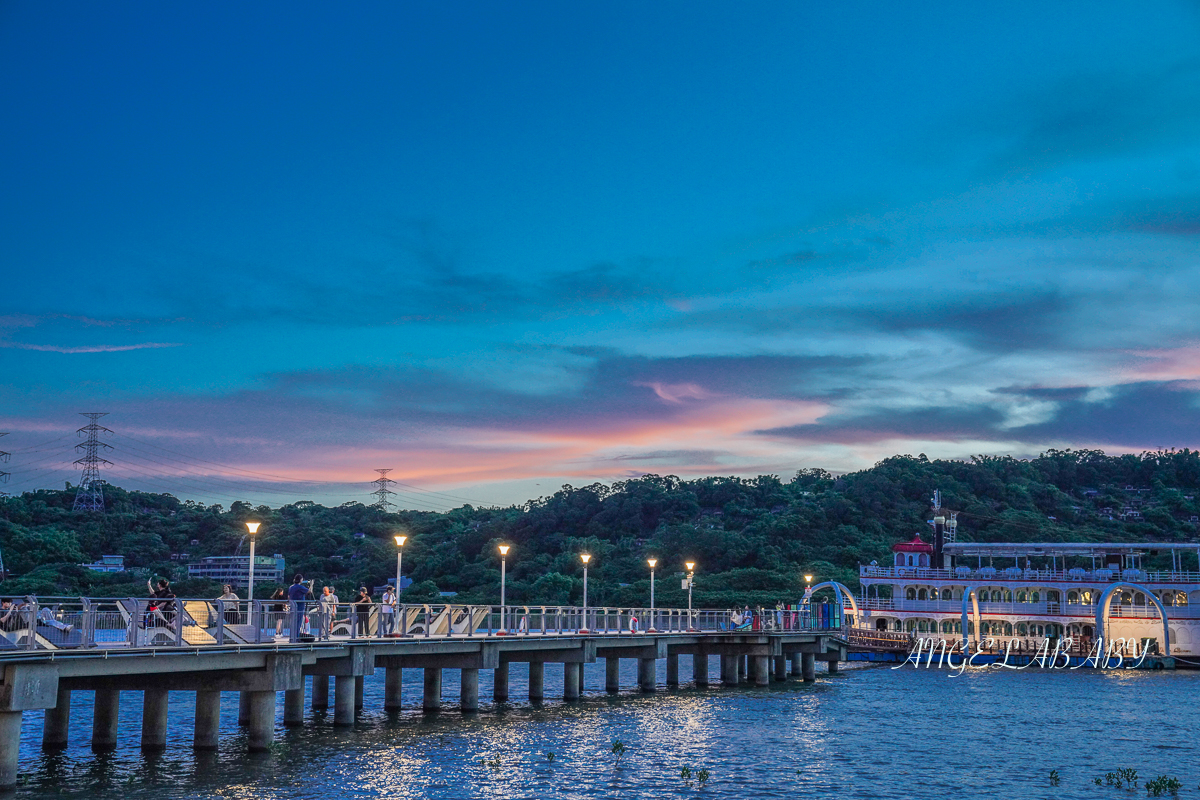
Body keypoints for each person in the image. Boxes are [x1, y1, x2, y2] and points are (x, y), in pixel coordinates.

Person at [287, 574, 311, 641]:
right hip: (299, 607)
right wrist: (310, 586)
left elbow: (288, 596)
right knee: (298, 623)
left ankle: (291, 637)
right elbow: (309, 591)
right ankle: (296, 638)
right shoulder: (300, 587)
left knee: (293, 623)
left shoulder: (291, 587)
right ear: (300, 580)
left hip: (292, 607)